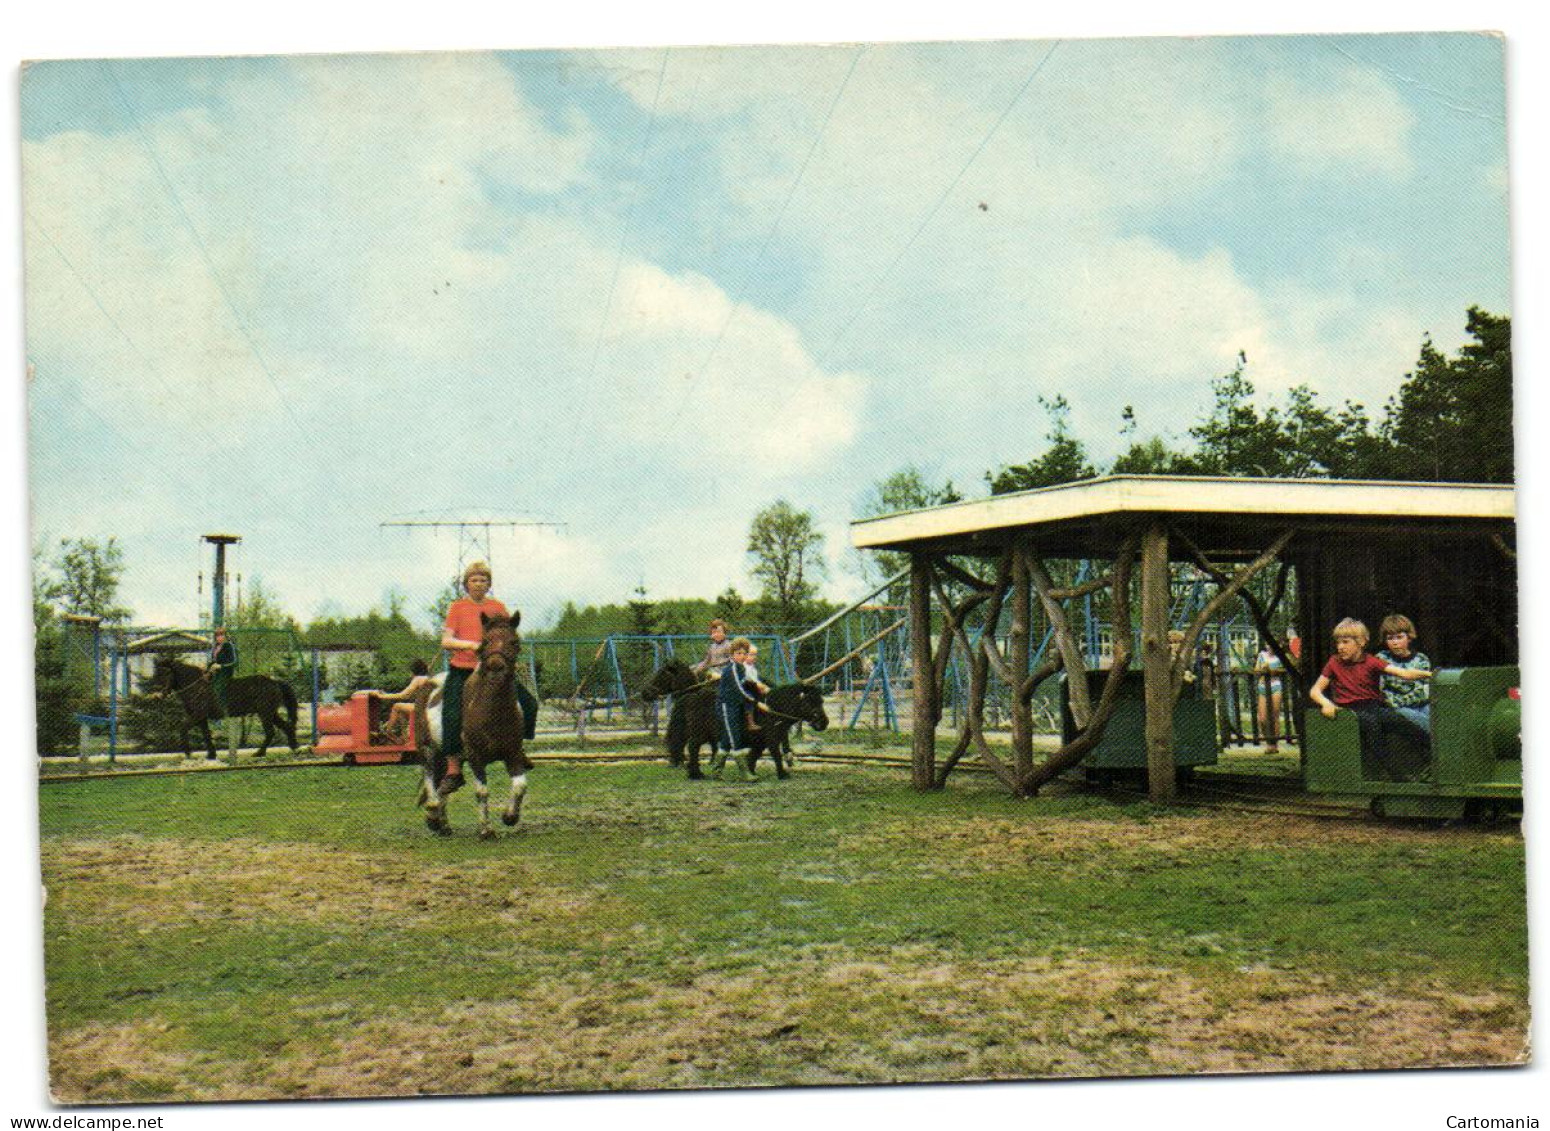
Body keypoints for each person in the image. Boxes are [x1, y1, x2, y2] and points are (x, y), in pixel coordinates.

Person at [440, 561, 537, 791]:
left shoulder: (498, 607)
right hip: (463, 668)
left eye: (483, 580)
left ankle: (518, 750)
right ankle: (453, 767)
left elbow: (508, 634)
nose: (478, 584)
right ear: (466, 584)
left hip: (495, 670)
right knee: (451, 713)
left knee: (529, 704)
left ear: (489, 584)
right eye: (474, 580)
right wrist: (471, 645)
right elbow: (446, 640)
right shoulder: (458, 608)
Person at [1308, 618, 1432, 779]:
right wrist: (1326, 703)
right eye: (1338, 643)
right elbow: (1315, 690)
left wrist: (1430, 674)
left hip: (1372, 706)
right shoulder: (1334, 663)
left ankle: (1433, 759)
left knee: (1401, 721)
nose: (1340, 647)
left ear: (1360, 642)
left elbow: (1404, 673)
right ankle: (1396, 774)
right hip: (1351, 710)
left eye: (1345, 642)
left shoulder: (1371, 661)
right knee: (1372, 725)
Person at [711, 637, 768, 778]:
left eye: (744, 653)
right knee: (735, 739)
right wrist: (756, 703)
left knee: (726, 740)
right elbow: (739, 690)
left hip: (735, 706)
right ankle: (745, 773)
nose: (742, 656)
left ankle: (716, 771)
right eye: (738, 653)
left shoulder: (741, 668)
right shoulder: (732, 669)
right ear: (732, 654)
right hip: (726, 707)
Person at [1376, 613, 1433, 735]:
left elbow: (1423, 690)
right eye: (1390, 638)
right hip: (1398, 707)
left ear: (1409, 637)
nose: (1395, 642)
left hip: (1421, 704)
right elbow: (1384, 691)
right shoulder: (1382, 659)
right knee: (1413, 717)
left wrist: (1403, 700)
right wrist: (1399, 704)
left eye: (1399, 637)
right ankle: (1442, 740)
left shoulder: (1421, 659)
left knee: (1437, 716)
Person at [371, 658, 432, 743]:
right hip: (427, 707)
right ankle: (405, 737)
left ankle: (387, 731)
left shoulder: (418, 679)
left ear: (413, 671)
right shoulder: (427, 678)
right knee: (401, 710)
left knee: (397, 706)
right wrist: (385, 694)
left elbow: (404, 695)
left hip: (422, 708)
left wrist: (382, 696)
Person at [208, 627, 238, 760]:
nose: (219, 638)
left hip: (225, 674)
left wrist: (221, 666)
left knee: (217, 692)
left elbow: (233, 662)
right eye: (217, 636)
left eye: (221, 635)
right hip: (215, 674)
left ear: (225, 636)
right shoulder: (215, 647)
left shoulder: (228, 646)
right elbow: (213, 661)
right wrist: (209, 667)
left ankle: (218, 724)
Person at [1254, 639, 1285, 753]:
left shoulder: (1279, 657)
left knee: (1274, 716)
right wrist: (1262, 669)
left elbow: (1282, 670)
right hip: (1262, 686)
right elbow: (1256, 670)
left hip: (1275, 686)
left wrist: (1271, 670)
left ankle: (1274, 744)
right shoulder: (1262, 655)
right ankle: (1268, 741)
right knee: (1262, 718)